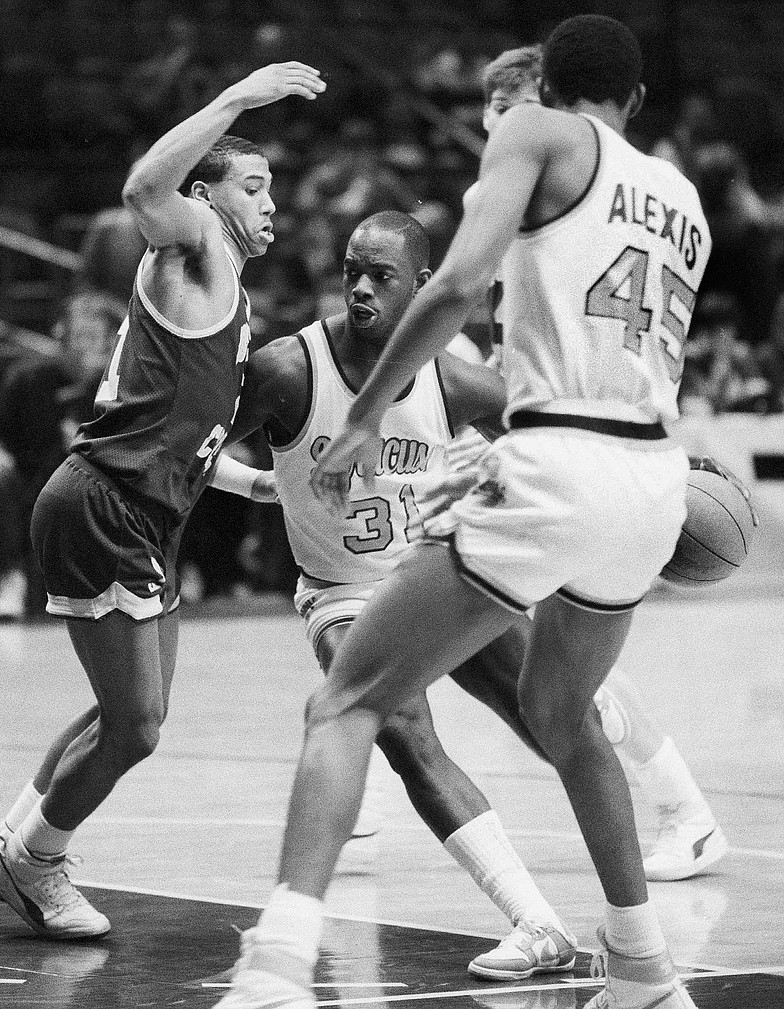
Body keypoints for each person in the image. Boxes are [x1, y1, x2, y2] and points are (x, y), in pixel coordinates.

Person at [214, 16, 712, 1009]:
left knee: (346, 700)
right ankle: (647, 974)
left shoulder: (537, 135)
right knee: (561, 718)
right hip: (652, 475)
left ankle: (276, 967)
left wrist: (360, 420)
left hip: (557, 451)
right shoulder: (682, 196)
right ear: (637, 102)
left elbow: (450, 286)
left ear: (547, 89)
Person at [0, 60, 326, 939]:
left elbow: (192, 446)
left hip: (144, 509)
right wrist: (238, 99)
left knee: (125, 713)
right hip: (106, 503)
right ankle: (37, 863)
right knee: (136, 728)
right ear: (206, 197)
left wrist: (271, 487)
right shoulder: (194, 245)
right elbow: (144, 185)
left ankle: (15, 844)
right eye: (252, 186)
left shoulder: (230, 296)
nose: (269, 203)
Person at [210, 209, 577, 980]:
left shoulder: (453, 378)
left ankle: (651, 862)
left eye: (382, 275)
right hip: (343, 593)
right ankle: (538, 921)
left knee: (556, 717)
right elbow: (188, 446)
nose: (362, 287)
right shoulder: (288, 368)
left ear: (423, 287)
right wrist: (254, 486)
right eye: (352, 270)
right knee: (405, 731)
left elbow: (548, 430)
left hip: (437, 576)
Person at [462, 43, 727, 884]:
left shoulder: (546, 170)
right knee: (531, 661)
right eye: (487, 119)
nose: (492, 133)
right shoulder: (659, 196)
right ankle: (678, 824)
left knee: (528, 665)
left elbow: (500, 350)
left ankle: (681, 811)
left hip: (564, 448)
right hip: (607, 451)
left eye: (502, 114)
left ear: (542, 104)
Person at [0, 293, 119, 620]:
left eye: (95, 339)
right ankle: (9, 580)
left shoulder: (116, 388)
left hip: (93, 486)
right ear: (61, 335)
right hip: (28, 482)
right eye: (79, 337)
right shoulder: (26, 377)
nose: (86, 348)